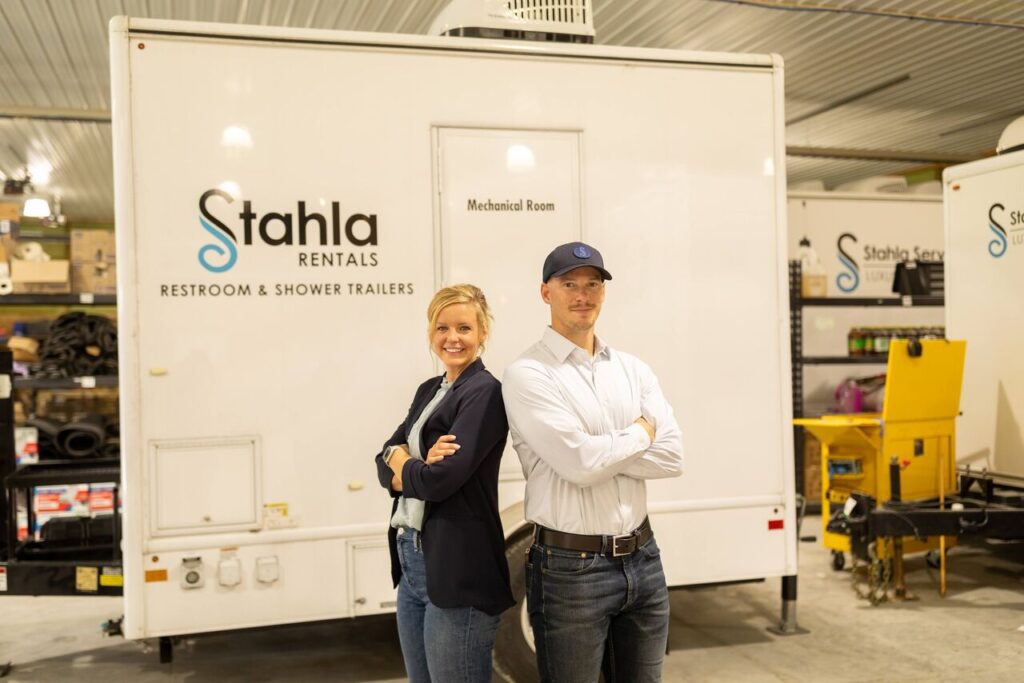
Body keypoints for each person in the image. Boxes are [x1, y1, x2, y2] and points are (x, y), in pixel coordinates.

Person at [502, 242, 684, 683]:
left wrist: (599, 452)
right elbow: (581, 464)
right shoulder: (528, 374)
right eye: (570, 285)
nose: (583, 295)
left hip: (643, 559)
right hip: (570, 571)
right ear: (546, 293)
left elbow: (673, 455)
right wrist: (640, 433)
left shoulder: (632, 369)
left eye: (593, 284)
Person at [374, 284, 515, 683]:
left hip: (459, 568)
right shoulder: (429, 390)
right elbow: (383, 455)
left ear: (483, 332)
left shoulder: (485, 394)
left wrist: (403, 462)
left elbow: (440, 482)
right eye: (442, 328)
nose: (452, 338)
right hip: (412, 560)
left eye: (465, 328)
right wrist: (403, 459)